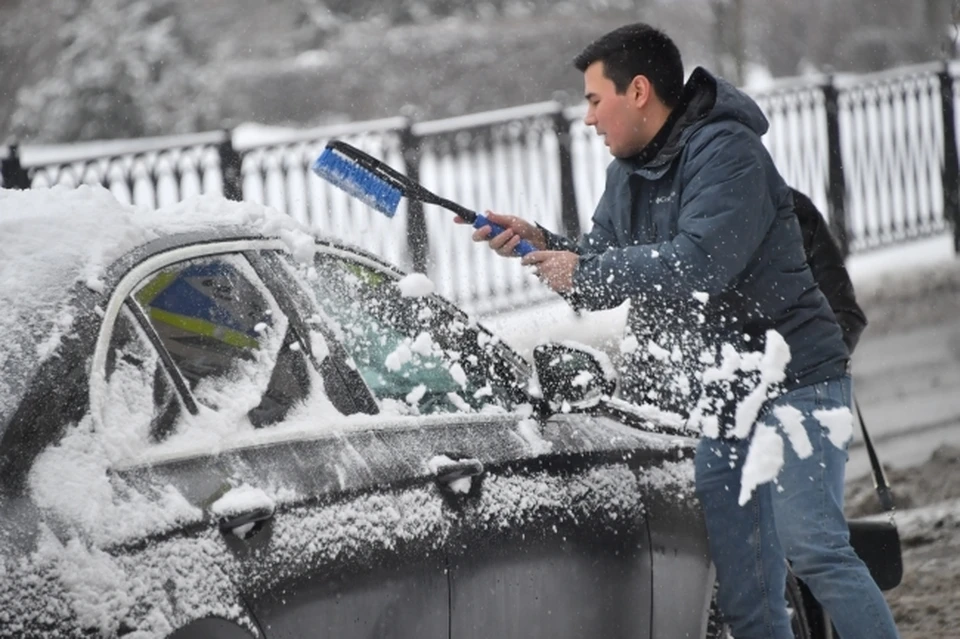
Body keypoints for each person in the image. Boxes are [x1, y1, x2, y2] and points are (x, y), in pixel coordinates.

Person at [462, 23, 899, 639]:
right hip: (723, 394)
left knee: (816, 551)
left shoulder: (726, 151)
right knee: (747, 592)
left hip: (795, 378)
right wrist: (542, 244)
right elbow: (606, 266)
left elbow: (702, 264)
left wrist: (585, 266)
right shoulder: (627, 172)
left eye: (594, 99)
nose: (588, 118)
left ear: (638, 91)